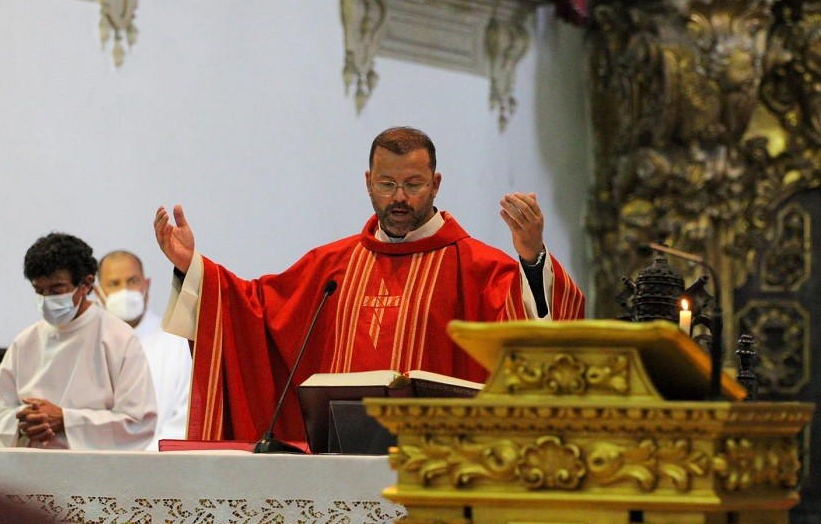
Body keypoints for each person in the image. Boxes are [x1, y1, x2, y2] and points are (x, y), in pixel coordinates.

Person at [154, 126, 585, 445]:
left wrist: (531, 257)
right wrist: (195, 270)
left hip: (439, 465)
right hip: (337, 458)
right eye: (387, 184)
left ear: (435, 185)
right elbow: (255, 311)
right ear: (368, 183)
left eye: (414, 185)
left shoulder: (476, 266)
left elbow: (541, 340)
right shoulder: (331, 266)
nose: (400, 197)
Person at [0, 233, 157, 450]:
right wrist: (25, 421)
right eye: (39, 291)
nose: (47, 300)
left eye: (57, 289)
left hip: (93, 474)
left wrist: (66, 419)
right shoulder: (26, 341)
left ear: (86, 284)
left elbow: (138, 422)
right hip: (32, 470)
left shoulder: (118, 338)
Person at [95, 250, 193, 450]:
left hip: (159, 465)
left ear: (146, 286)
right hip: (97, 465)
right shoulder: (87, 343)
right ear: (98, 293)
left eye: (132, 281)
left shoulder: (177, 340)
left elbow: (185, 413)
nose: (125, 291)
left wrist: (146, 461)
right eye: (114, 284)